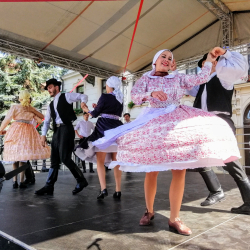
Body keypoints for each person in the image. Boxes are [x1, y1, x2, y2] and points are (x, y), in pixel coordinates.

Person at [93, 48, 240, 236]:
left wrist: (210, 60)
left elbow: (200, 78)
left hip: (175, 119)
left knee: (180, 170)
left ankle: (175, 218)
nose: (167, 59)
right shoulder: (146, 79)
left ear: (172, 64)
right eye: (163, 56)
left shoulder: (178, 78)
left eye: (170, 58)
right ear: (155, 61)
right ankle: (149, 210)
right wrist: (151, 94)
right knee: (151, 171)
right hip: (153, 121)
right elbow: (135, 96)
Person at [186, 48, 250, 214]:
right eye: (202, 66)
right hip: (204, 124)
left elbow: (240, 66)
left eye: (206, 64)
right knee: (198, 157)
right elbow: (187, 87)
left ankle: (249, 201)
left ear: (215, 63)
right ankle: (216, 191)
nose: (204, 68)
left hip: (220, 122)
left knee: (230, 161)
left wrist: (225, 53)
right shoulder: (202, 85)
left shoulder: (223, 77)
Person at [35, 78, 88, 196]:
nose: (48, 90)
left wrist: (83, 102)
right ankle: (49, 186)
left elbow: (82, 96)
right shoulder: (50, 105)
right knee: (54, 159)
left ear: (56, 87)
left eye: (50, 87)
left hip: (67, 128)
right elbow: (47, 121)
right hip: (57, 131)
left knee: (64, 157)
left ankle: (81, 180)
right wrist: (43, 135)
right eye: (47, 88)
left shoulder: (66, 96)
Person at [75, 76, 123, 200]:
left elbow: (94, 114)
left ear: (109, 86)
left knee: (100, 161)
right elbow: (111, 112)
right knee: (116, 161)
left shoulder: (105, 96)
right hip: (117, 128)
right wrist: (98, 108)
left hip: (104, 129)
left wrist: (86, 109)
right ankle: (118, 190)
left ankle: (103, 189)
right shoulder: (120, 98)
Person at [0, 90, 50, 189]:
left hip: (16, 130)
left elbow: (7, 119)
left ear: (20, 98)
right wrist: (33, 111)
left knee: (15, 158)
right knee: (23, 158)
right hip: (28, 133)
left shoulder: (15, 107)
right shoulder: (31, 109)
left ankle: (15, 182)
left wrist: (0, 129)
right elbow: (43, 117)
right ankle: (22, 182)